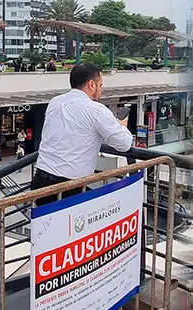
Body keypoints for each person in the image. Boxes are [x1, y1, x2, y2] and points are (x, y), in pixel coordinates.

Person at [31, 64, 134, 206]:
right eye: (100, 85)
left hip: (40, 181)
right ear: (91, 84)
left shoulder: (55, 102)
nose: (101, 90)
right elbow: (124, 144)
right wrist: (121, 126)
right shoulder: (96, 110)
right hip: (68, 187)